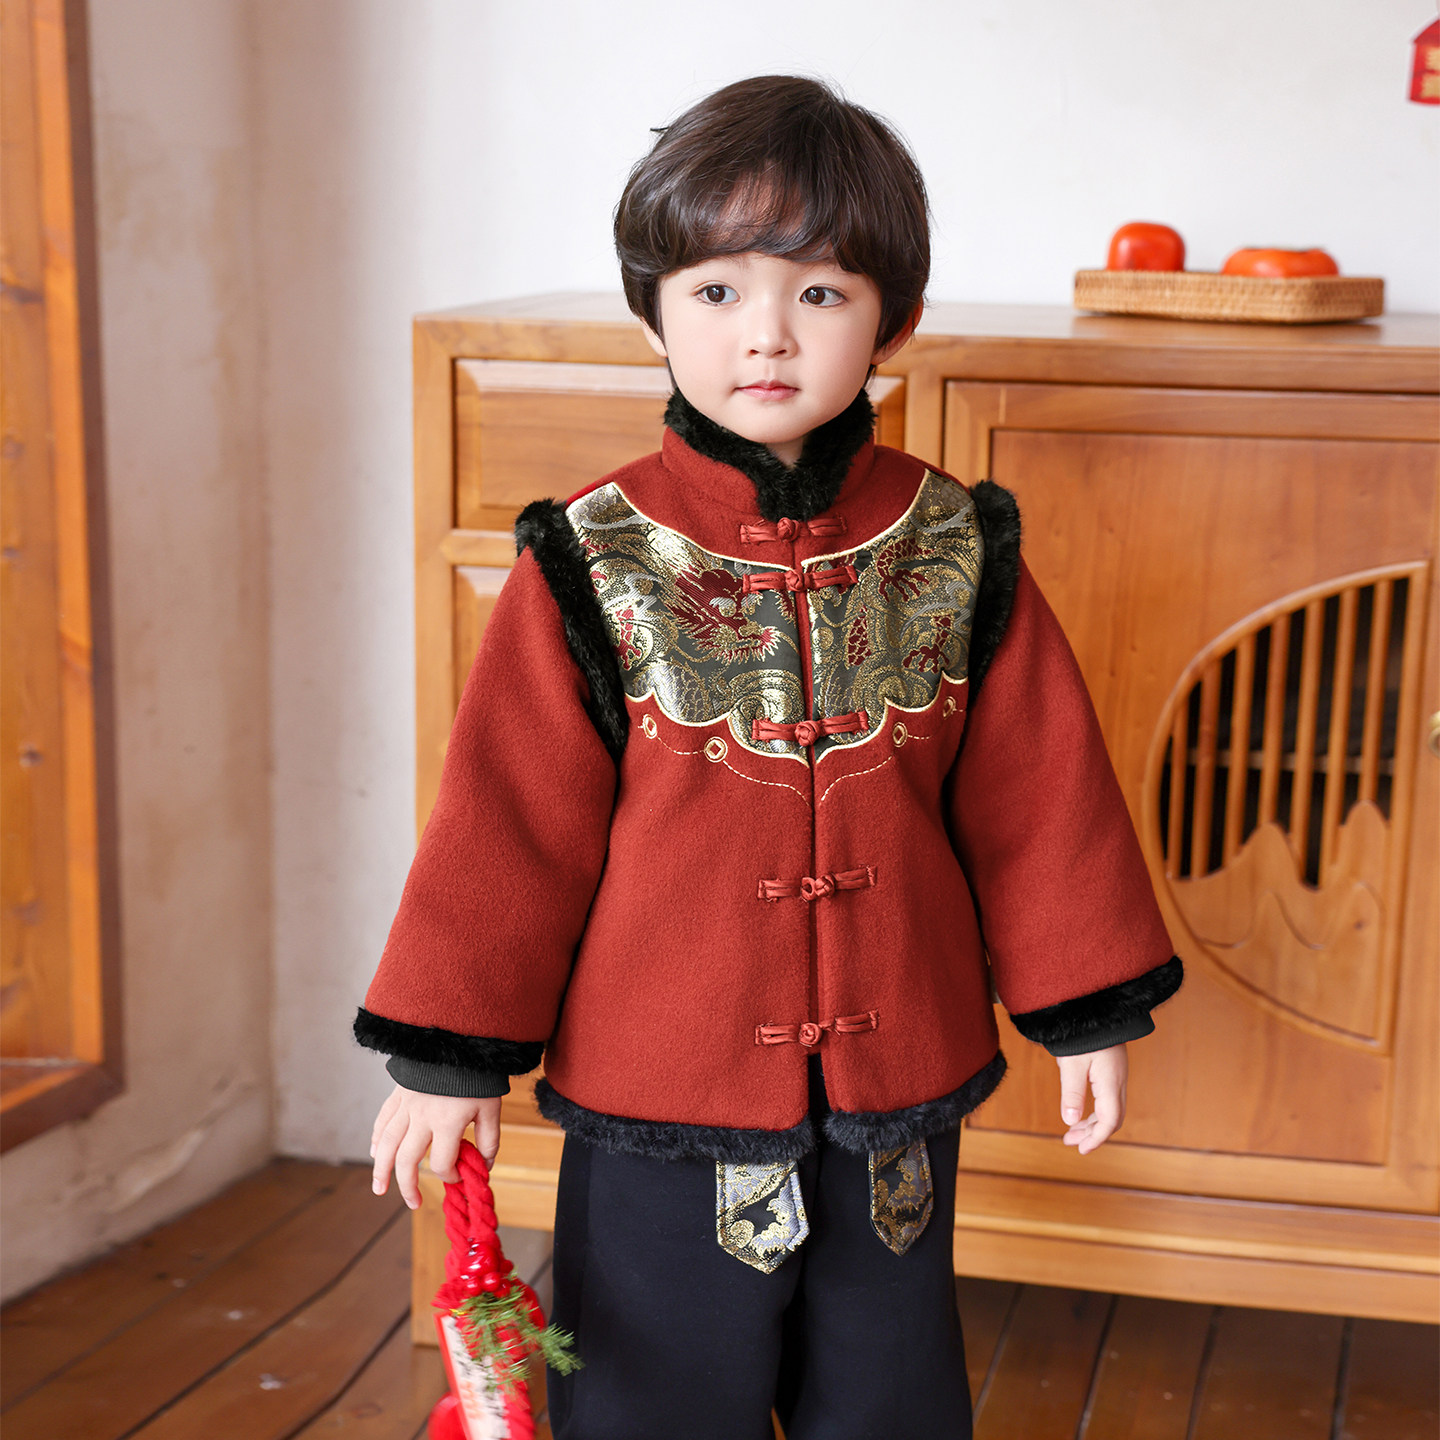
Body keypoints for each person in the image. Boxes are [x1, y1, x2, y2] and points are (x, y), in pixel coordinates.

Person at [359, 74, 1183, 1439]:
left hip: (897, 1071)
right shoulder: (593, 553)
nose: (768, 334)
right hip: (657, 1074)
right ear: (654, 312)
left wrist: (1084, 1010)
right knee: (652, 1399)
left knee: (888, 1395)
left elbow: (1041, 797)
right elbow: (509, 823)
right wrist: (449, 1059)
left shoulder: (955, 542)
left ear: (891, 317)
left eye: (819, 292)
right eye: (716, 290)